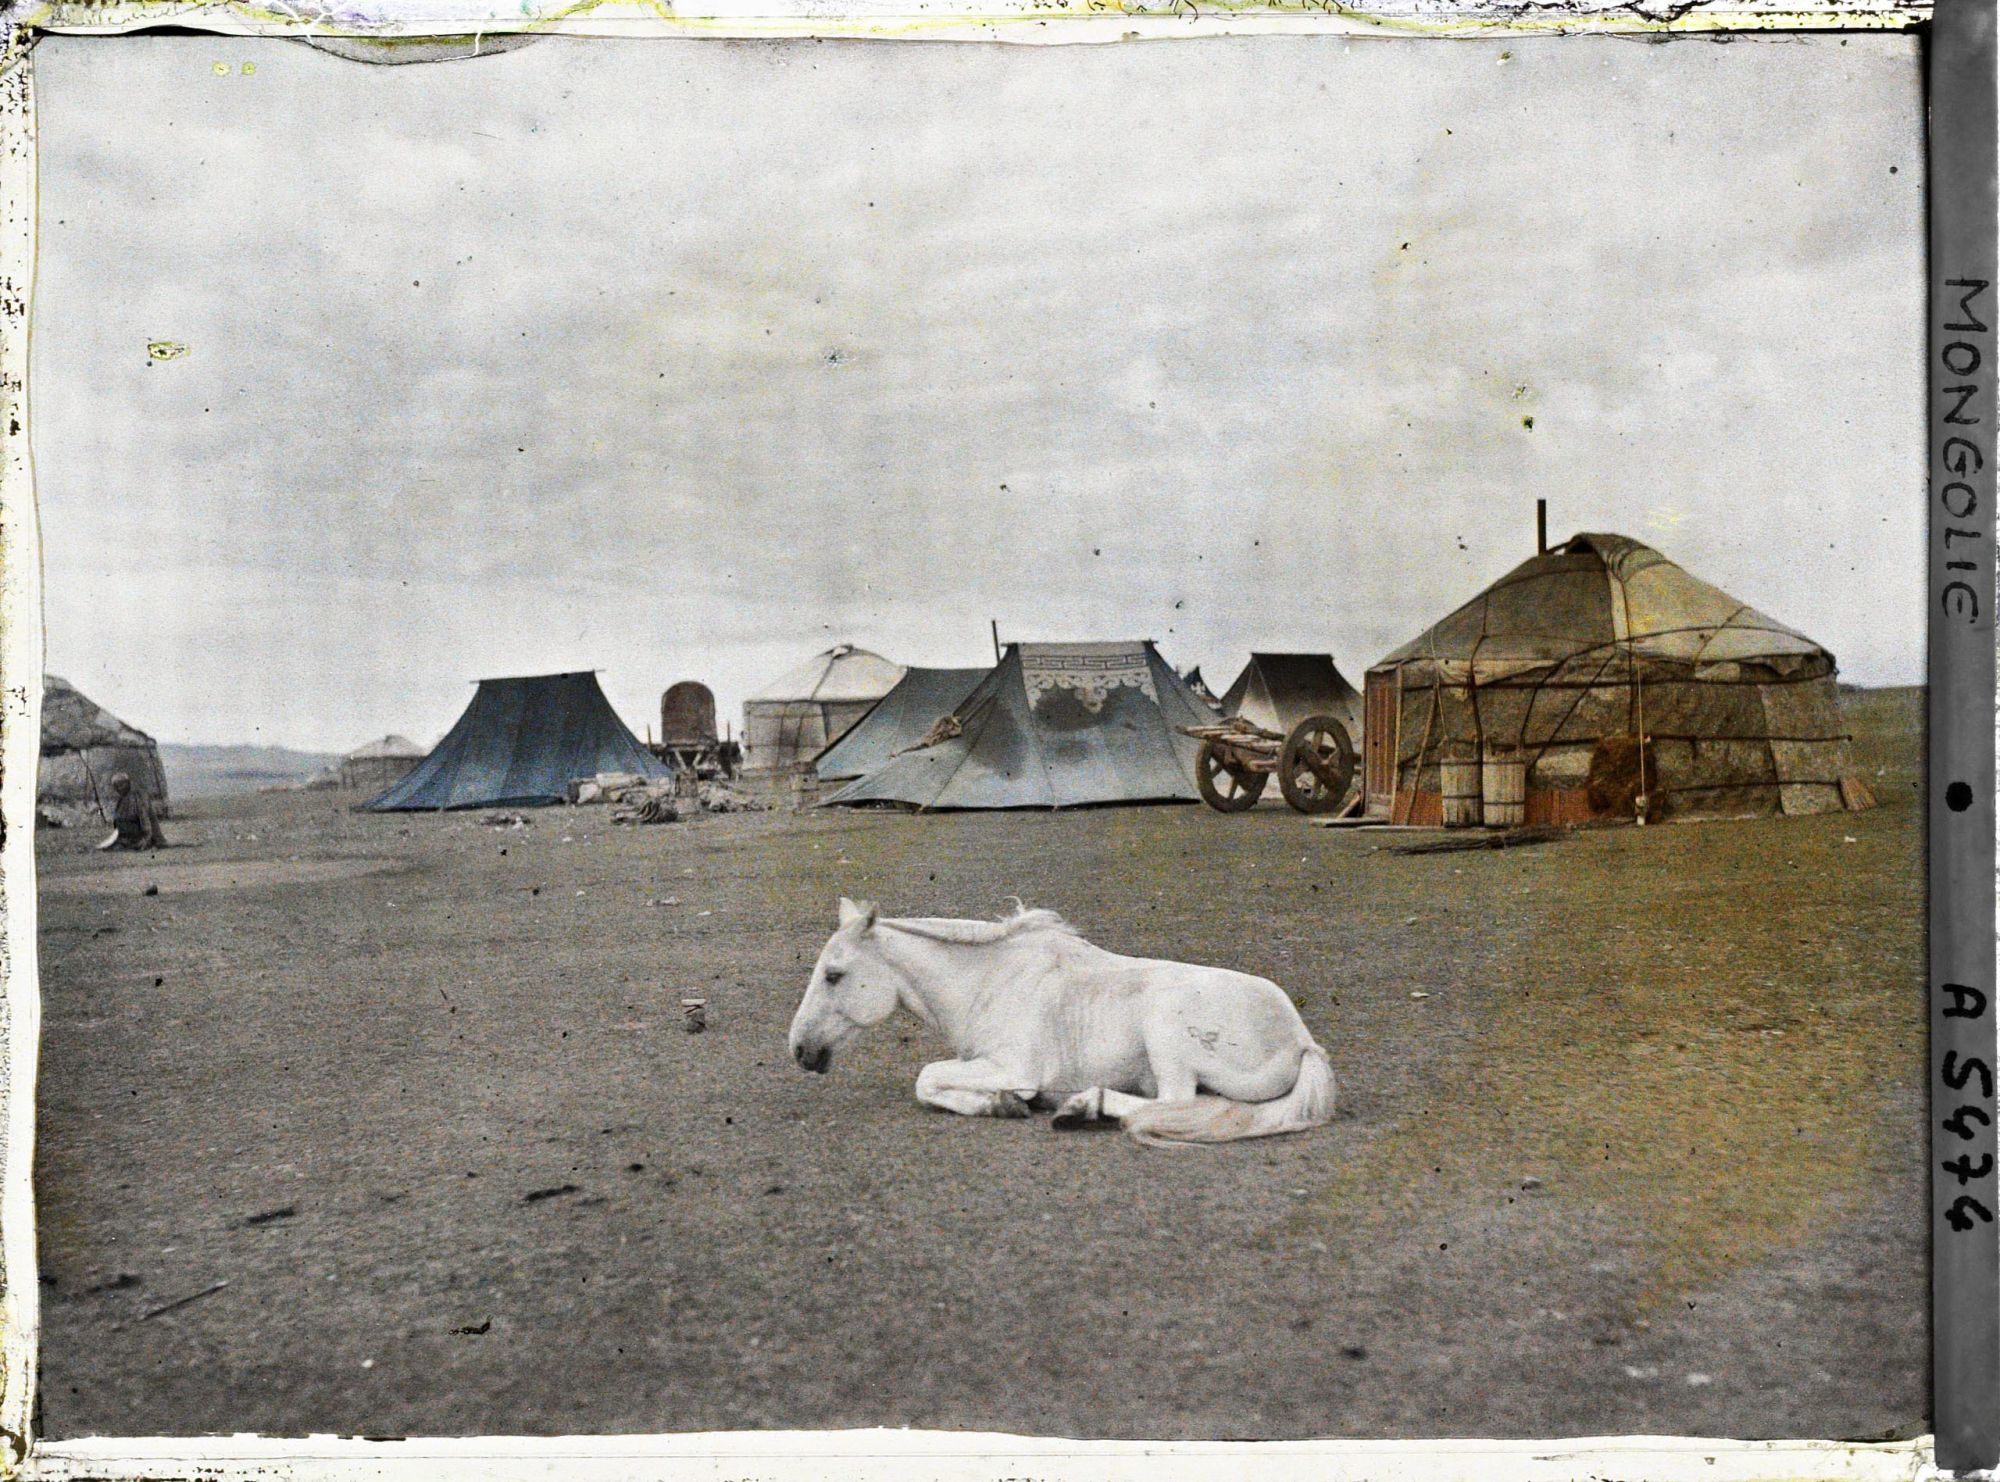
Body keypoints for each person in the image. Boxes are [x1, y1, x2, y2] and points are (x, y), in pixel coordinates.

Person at [98, 772, 166, 851]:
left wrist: (145, 839)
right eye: (116, 787)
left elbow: (145, 820)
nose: (119, 789)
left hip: (139, 838)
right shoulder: (122, 799)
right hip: (126, 837)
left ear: (128, 783)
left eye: (121, 785)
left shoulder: (138, 798)